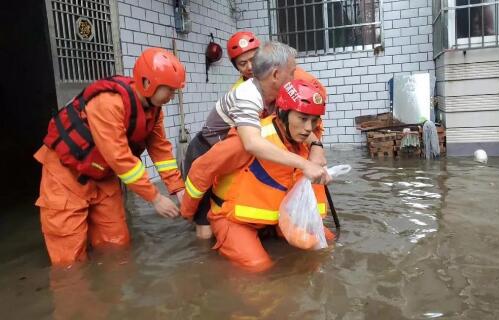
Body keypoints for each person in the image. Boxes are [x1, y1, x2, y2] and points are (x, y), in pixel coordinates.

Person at [34, 48, 186, 266]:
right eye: (170, 90)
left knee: (117, 245)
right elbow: (120, 158)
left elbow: (161, 150)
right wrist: (155, 198)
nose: (172, 96)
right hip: (66, 174)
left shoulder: (154, 111)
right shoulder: (109, 103)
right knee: (69, 260)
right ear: (147, 82)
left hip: (103, 177)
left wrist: (177, 189)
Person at [180, 79, 335, 272]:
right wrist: (187, 211)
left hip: (275, 218)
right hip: (234, 219)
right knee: (257, 267)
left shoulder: (305, 143)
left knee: (324, 243)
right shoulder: (248, 141)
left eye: (314, 120)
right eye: (303, 119)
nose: (309, 128)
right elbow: (201, 170)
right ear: (283, 114)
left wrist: (317, 148)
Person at [182, 41, 330, 239]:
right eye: (292, 72)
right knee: (205, 230)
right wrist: (304, 164)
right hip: (207, 152)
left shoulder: (280, 93)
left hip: (235, 153)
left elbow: (295, 125)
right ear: (276, 75)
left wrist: (316, 147)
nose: (295, 78)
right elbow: (252, 143)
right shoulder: (247, 95)